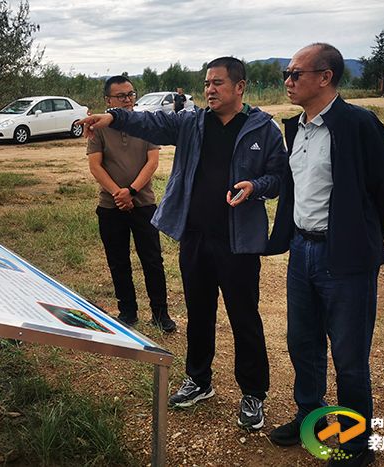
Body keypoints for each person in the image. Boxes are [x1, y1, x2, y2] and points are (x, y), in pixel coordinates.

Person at [79, 57, 287, 431]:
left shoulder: (263, 128)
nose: (210, 89)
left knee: (244, 317)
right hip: (195, 237)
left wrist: (256, 186)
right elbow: (150, 122)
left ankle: (253, 393)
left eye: (218, 83)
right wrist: (112, 117)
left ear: (240, 87)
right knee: (199, 312)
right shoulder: (192, 123)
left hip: (239, 243)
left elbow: (279, 177)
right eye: (207, 83)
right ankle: (199, 380)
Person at [266, 43, 384, 467]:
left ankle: (357, 443)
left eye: (296, 74)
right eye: (287, 74)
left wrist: (361, 236)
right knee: (302, 343)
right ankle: (310, 416)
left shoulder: (358, 123)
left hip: (345, 258)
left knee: (349, 355)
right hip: (302, 250)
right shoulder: (298, 128)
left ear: (325, 77)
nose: (288, 82)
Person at [87, 75, 176, 333]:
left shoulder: (144, 123)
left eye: (130, 94)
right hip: (110, 205)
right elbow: (95, 165)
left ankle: (160, 314)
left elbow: (152, 161)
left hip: (143, 203)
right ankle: (127, 312)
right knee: (118, 261)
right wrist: (118, 194)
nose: (127, 100)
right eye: (121, 96)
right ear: (108, 100)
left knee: (152, 260)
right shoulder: (98, 127)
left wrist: (132, 191)